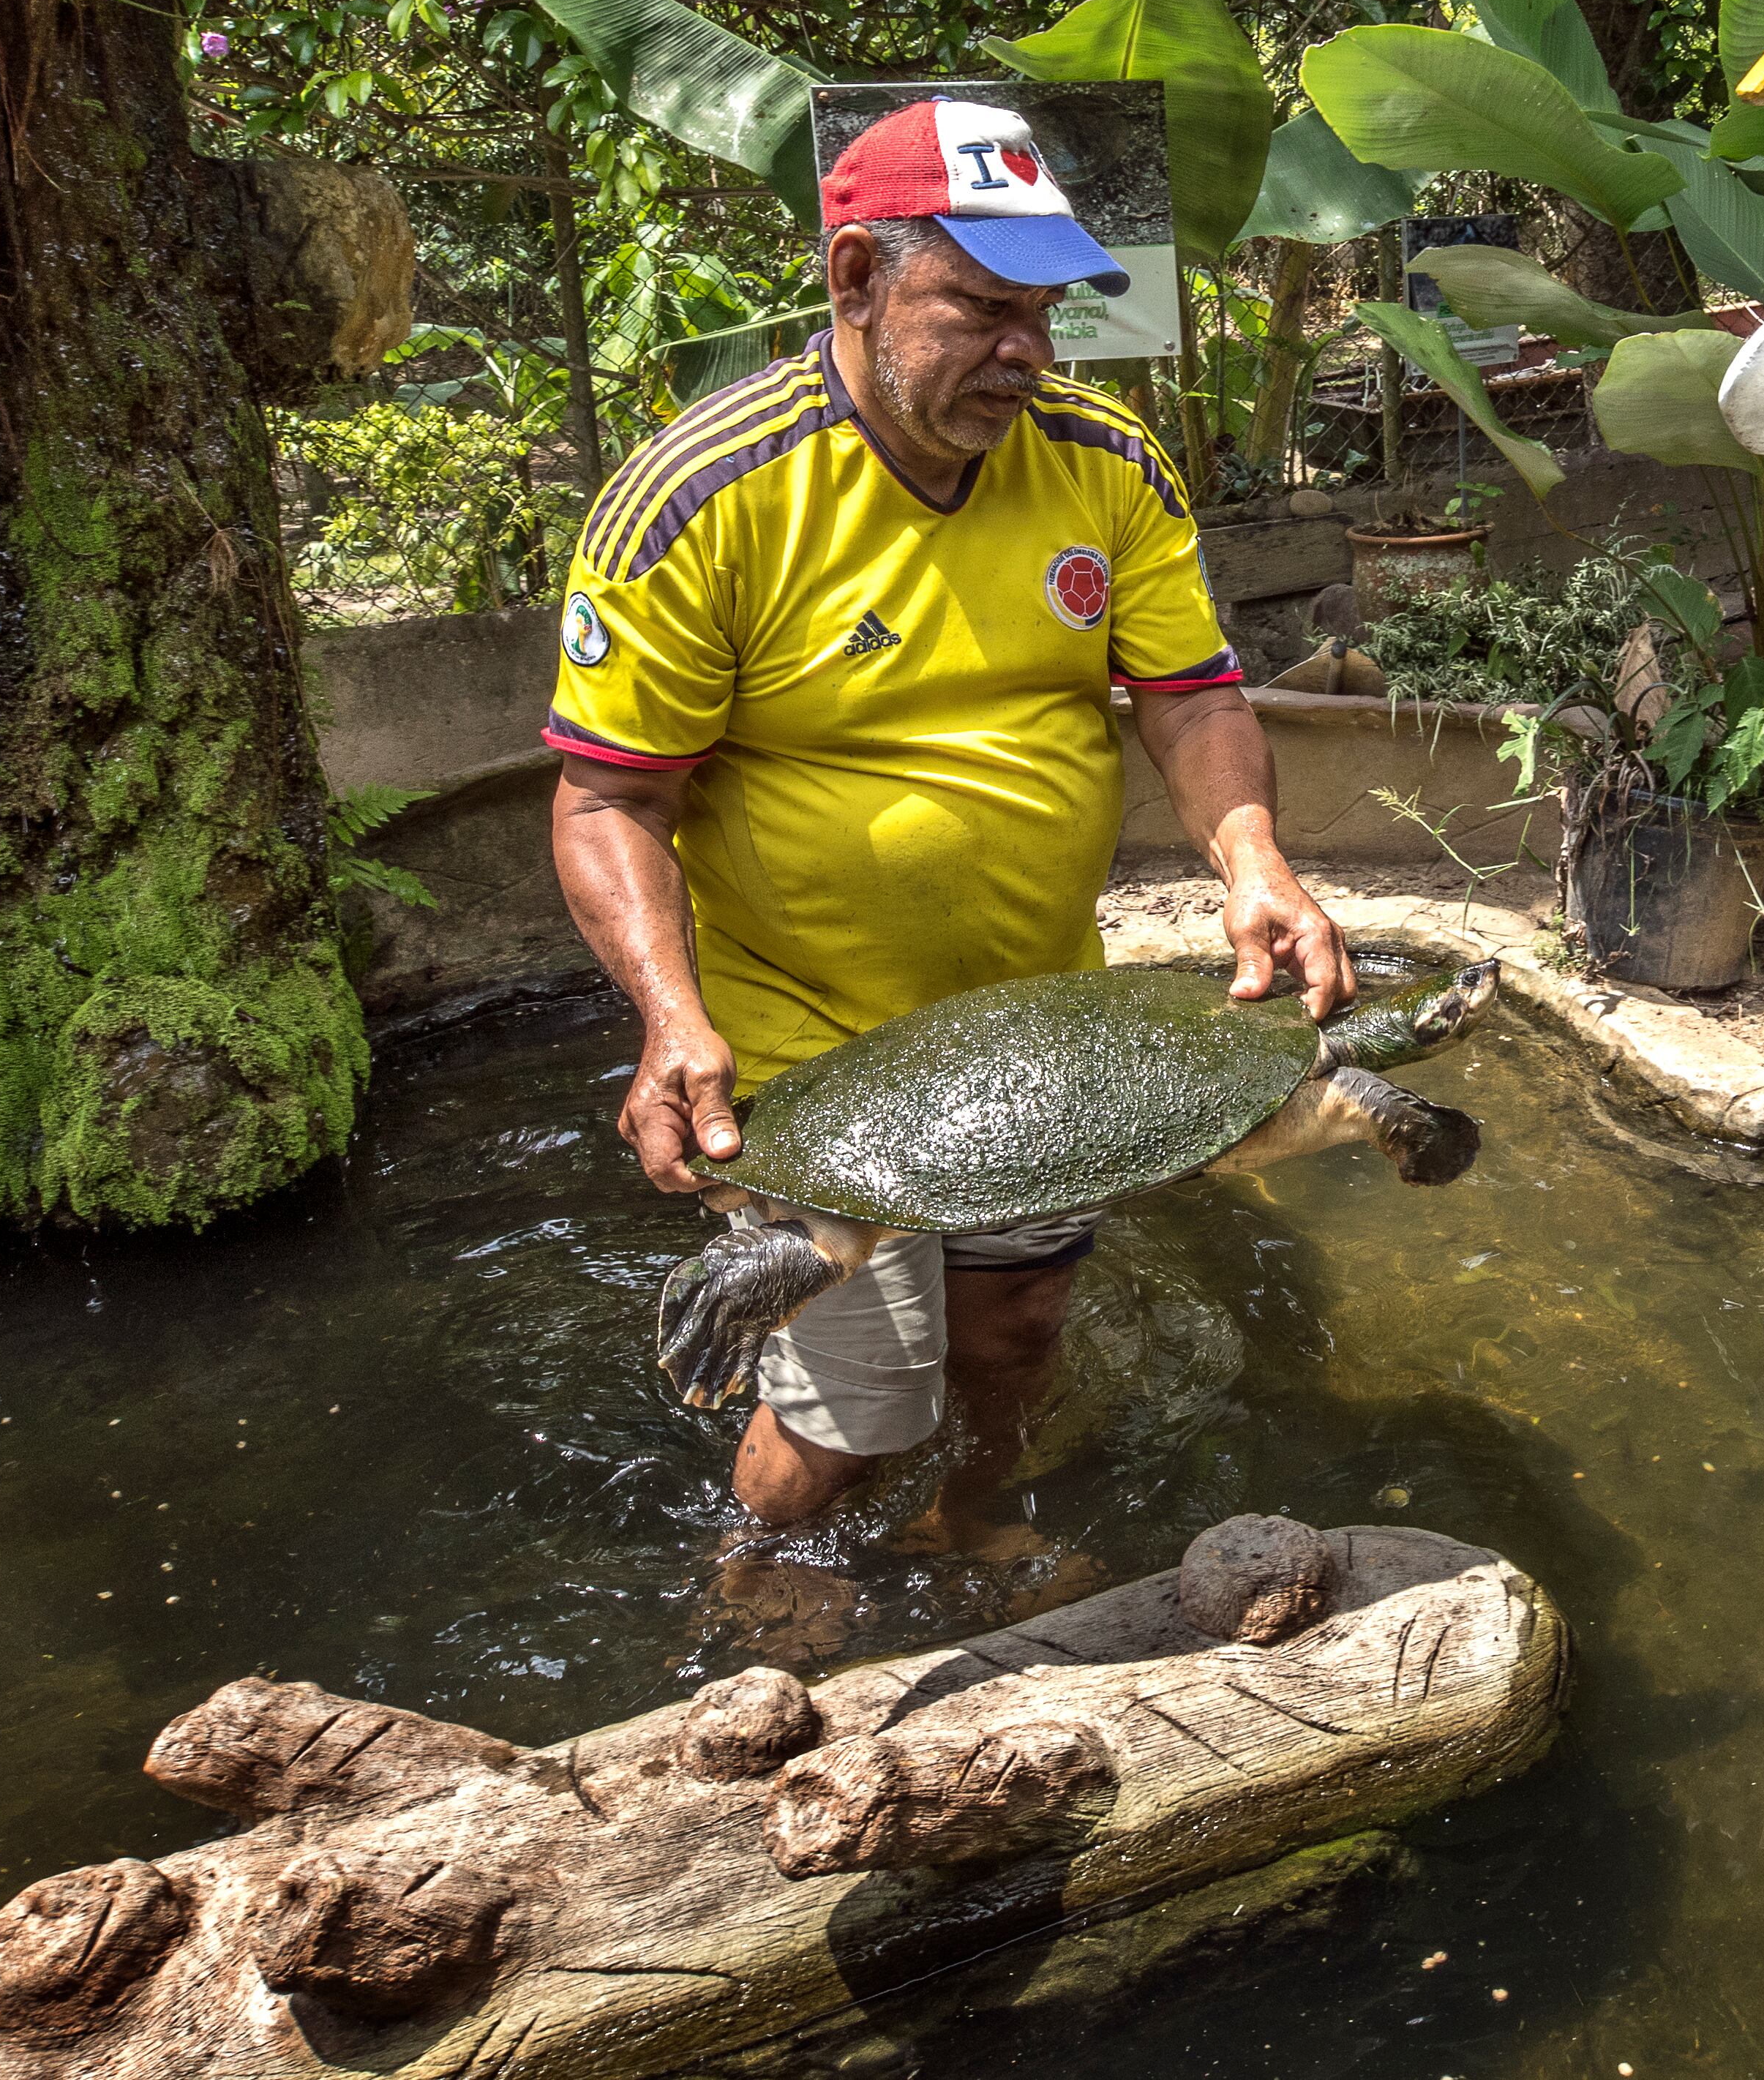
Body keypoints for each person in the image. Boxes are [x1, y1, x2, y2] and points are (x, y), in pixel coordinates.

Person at [546, 95, 1351, 1553]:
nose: (1027, 352)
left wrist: (1252, 859)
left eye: (1044, 312)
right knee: (846, 1406)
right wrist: (667, 1014)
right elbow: (610, 797)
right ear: (855, 280)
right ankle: (758, 1614)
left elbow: (1190, 696)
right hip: (812, 1059)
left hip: (1040, 1039)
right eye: (979, 308)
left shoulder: (1103, 461)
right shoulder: (704, 495)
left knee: (1022, 1321)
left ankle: (977, 1521)